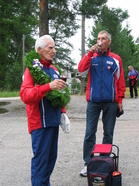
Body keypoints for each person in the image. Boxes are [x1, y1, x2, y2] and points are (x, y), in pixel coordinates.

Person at [20, 35, 67, 186]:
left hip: (53, 122)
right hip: (39, 124)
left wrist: (63, 112)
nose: (54, 51)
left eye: (54, 47)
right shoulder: (32, 69)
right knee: (41, 162)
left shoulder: (54, 70)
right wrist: (48, 87)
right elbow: (26, 95)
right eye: (50, 48)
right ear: (39, 50)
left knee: (51, 160)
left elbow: (59, 95)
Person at [78, 30, 125, 177]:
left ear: (108, 42)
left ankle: (105, 161)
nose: (100, 41)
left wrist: (120, 99)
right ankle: (88, 163)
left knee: (108, 132)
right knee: (90, 132)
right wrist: (89, 53)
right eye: (98, 38)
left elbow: (120, 81)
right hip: (93, 101)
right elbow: (81, 70)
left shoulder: (116, 59)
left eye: (103, 38)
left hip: (110, 102)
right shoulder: (92, 57)